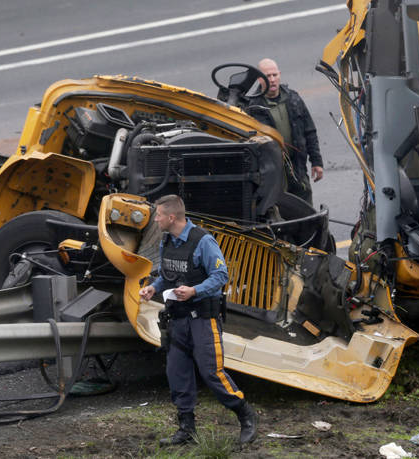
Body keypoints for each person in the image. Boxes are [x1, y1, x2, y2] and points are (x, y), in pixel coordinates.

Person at [138, 194, 258, 446]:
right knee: (177, 373)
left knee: (211, 373)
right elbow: (166, 275)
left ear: (171, 217)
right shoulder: (167, 240)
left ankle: (246, 415)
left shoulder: (202, 241)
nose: (155, 218)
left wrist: (194, 291)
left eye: (158, 214)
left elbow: (220, 275)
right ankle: (186, 429)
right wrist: (153, 287)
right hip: (177, 321)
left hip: (202, 320)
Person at [246, 58, 324, 205]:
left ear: (280, 75)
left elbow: (310, 131)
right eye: (267, 76)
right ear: (259, 79)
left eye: (275, 75)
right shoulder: (253, 108)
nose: (272, 80)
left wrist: (317, 162)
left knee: (306, 211)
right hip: (273, 175)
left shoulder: (293, 98)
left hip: (298, 170)